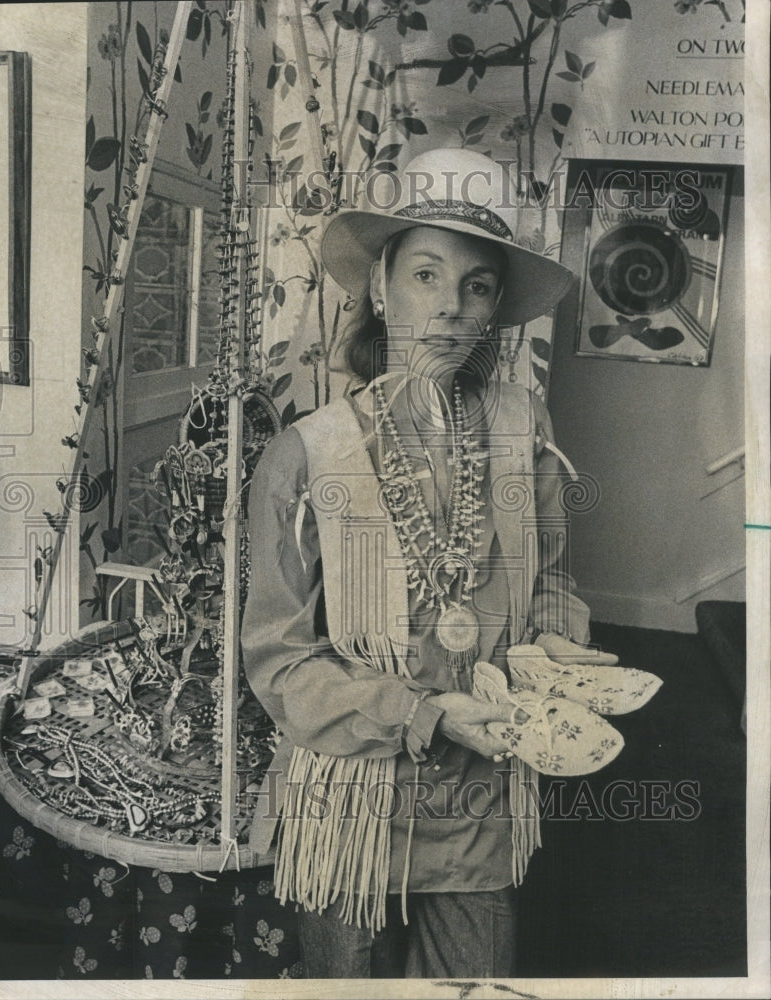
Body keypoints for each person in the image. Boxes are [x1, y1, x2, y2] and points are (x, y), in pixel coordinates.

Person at [241, 148, 619, 979]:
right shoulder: (303, 458)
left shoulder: (525, 434)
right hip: (348, 799)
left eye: (476, 285)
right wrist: (424, 713)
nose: (448, 308)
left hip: (479, 794)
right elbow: (279, 660)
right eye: (423, 275)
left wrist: (554, 645)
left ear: (494, 311)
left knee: (475, 980)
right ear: (378, 288)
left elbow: (549, 579)